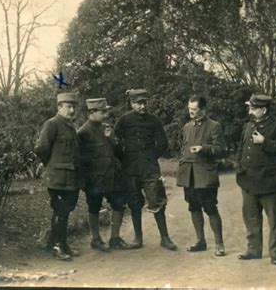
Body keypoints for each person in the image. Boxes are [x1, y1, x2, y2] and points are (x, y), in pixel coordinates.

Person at [114, 89, 177, 251]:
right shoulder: (123, 120)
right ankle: (138, 238)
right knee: (134, 202)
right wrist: (124, 157)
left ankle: (165, 238)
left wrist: (150, 156)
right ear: (131, 103)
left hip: (150, 168)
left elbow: (163, 143)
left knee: (156, 199)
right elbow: (116, 141)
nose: (142, 106)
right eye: (138, 103)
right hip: (130, 169)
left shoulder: (154, 120)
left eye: (144, 103)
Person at [235, 94, 276, 265]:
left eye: (253, 108)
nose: (249, 111)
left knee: (274, 219)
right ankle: (254, 250)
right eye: (250, 107)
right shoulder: (249, 125)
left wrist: (264, 141)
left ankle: (275, 254)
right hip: (248, 180)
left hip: (270, 182)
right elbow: (241, 147)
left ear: (264, 110)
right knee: (251, 217)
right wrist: (239, 166)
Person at [176, 95, 227, 256]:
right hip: (189, 175)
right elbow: (183, 148)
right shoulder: (187, 127)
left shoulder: (214, 126)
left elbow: (221, 149)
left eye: (194, 109)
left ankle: (219, 244)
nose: (190, 112)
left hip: (205, 175)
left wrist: (204, 148)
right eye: (189, 109)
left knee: (210, 208)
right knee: (193, 207)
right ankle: (201, 241)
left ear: (203, 110)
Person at [78, 98, 129, 252]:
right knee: (94, 207)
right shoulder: (83, 132)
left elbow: (118, 153)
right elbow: (80, 159)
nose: (106, 114)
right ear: (92, 112)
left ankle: (114, 238)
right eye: (103, 111)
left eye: (106, 111)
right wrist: (85, 181)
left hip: (112, 176)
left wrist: (111, 138)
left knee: (119, 204)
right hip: (95, 179)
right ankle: (96, 239)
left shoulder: (106, 128)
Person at [34, 92, 81, 261]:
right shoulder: (52, 124)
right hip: (57, 177)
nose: (72, 110)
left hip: (71, 177)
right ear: (59, 107)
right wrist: (51, 164)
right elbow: (41, 148)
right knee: (60, 210)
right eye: (68, 107)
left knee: (66, 211)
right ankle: (57, 246)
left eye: (74, 107)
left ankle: (63, 243)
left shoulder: (71, 127)